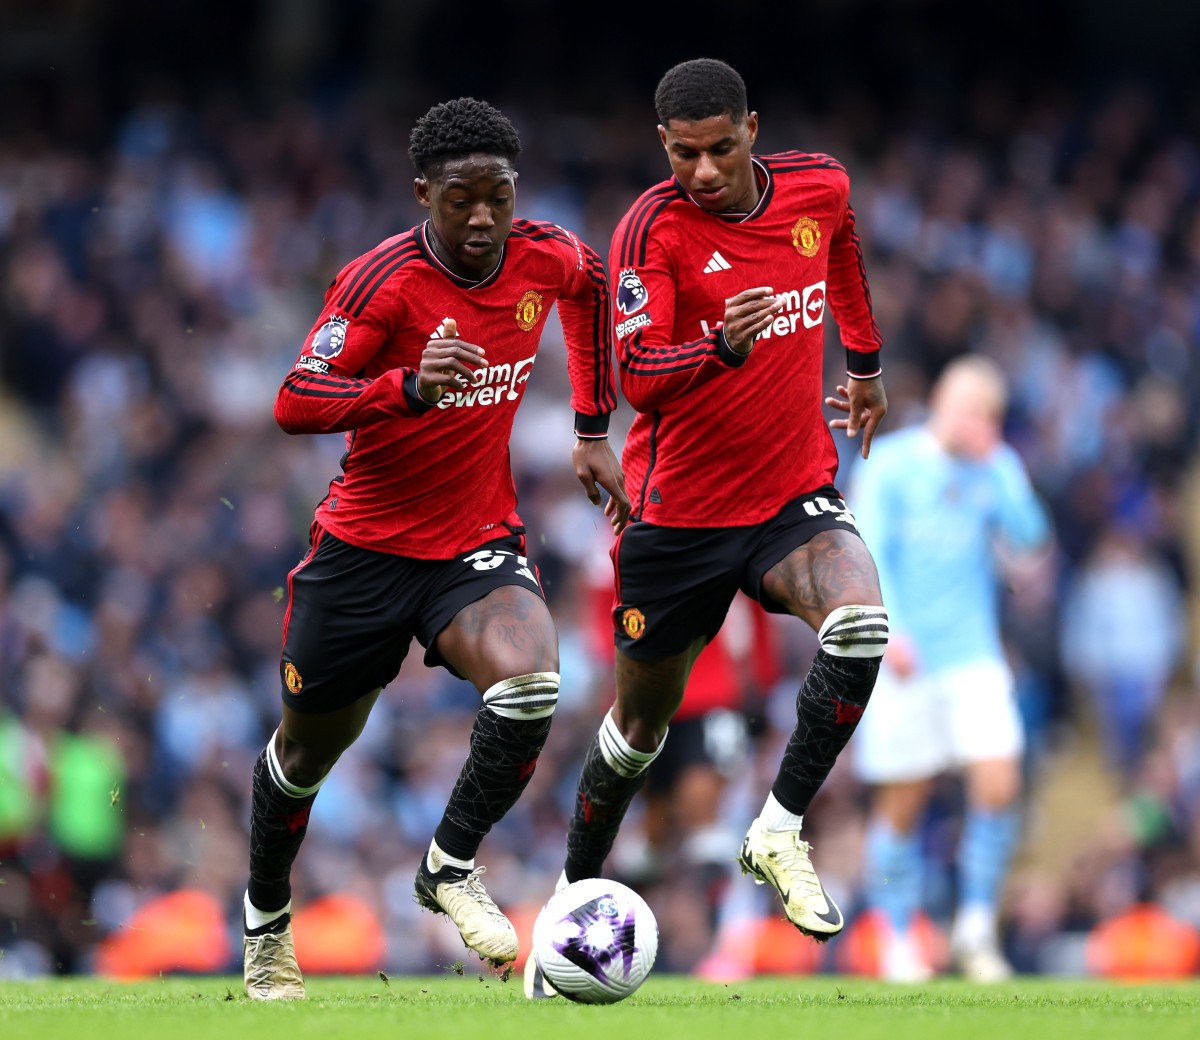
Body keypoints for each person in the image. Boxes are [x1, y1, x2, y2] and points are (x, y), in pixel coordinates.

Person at [240, 96, 630, 1000]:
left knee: (534, 680)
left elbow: (593, 290)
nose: (485, 216)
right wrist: (404, 390)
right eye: (463, 199)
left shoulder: (545, 254)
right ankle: (266, 930)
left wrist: (591, 428)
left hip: (474, 541)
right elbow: (297, 399)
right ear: (425, 195)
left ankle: (449, 865)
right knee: (305, 758)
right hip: (364, 552)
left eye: (499, 194)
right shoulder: (382, 283)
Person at [526, 57, 890, 998]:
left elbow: (842, 252)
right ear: (664, 147)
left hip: (786, 497)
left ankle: (778, 827)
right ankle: (569, 894)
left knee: (860, 621)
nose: (704, 170)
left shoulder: (820, 187)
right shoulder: (653, 226)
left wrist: (867, 363)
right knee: (639, 729)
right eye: (685, 154)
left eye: (720, 148)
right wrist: (719, 343)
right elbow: (639, 372)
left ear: (752, 129)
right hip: (677, 517)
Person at [847, 354, 1052, 982]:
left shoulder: (995, 467)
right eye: (970, 410)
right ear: (942, 402)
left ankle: (975, 925)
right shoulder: (891, 461)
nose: (977, 424)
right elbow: (865, 547)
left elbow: (1033, 538)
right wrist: (892, 630)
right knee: (903, 802)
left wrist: (1000, 467)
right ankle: (899, 935)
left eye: (990, 415)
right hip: (908, 655)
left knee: (999, 783)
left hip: (973, 655)